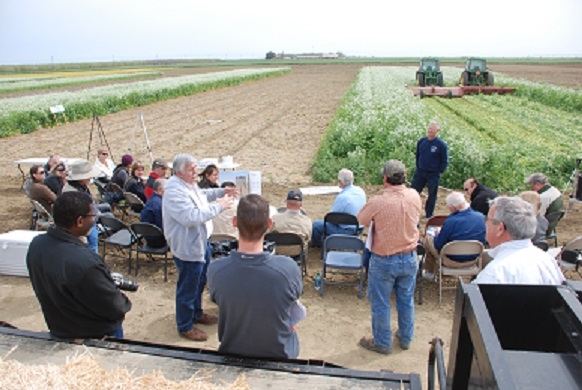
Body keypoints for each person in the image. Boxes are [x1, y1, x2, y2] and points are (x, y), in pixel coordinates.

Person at [26, 191, 132, 340]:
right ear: (80, 221)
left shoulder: (37, 244)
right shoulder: (86, 263)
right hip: (94, 335)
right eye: (92, 215)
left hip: (60, 329)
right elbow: (115, 306)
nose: (95, 218)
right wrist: (122, 299)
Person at [208, 194, 303, 359]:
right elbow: (294, 298)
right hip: (280, 354)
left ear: (234, 222)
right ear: (269, 224)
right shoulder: (288, 268)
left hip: (232, 351)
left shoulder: (216, 269)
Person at [162, 153, 237, 341]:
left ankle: (196, 313)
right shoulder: (173, 191)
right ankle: (185, 325)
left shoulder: (188, 184)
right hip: (188, 246)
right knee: (188, 286)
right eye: (191, 169)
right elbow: (190, 217)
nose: (196, 172)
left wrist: (220, 192)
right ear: (179, 172)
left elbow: (201, 196)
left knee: (199, 281)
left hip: (201, 242)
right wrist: (219, 205)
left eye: (195, 167)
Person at [357, 160, 421, 354]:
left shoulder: (378, 201)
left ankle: (383, 342)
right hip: (409, 257)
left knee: (381, 302)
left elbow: (361, 220)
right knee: (406, 299)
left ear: (384, 178)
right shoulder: (414, 195)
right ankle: (405, 338)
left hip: (384, 259)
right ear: (405, 177)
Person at [473, 196, 565, 285]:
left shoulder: (496, 272)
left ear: (500, 229)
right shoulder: (548, 261)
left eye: (488, 219)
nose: (485, 223)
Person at [421, 192, 486, 280]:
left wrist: (437, 234)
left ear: (453, 207)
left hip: (451, 260)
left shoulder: (451, 221)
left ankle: (430, 272)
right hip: (474, 259)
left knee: (427, 238)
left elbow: (438, 244)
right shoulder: (481, 217)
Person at [63, 160, 111, 253]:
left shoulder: (80, 186)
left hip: (89, 218)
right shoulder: (72, 193)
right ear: (81, 178)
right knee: (92, 248)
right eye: (89, 175)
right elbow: (76, 213)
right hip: (84, 223)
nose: (91, 177)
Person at [311, 168, 366, 247]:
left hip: (346, 231)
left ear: (340, 182)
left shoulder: (342, 197)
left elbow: (331, 218)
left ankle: (318, 245)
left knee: (317, 225)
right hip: (359, 229)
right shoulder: (361, 191)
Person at [411, 121, 449, 219]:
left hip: (433, 174)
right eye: (429, 128)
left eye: (432, 129)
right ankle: (410, 210)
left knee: (432, 194)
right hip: (420, 172)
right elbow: (418, 155)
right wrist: (418, 166)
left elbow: (444, 160)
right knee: (413, 192)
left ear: (437, 131)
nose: (430, 130)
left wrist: (439, 171)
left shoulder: (441, 145)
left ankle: (429, 214)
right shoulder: (422, 141)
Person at [271, 189, 312, 256]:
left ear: (286, 203)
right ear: (301, 205)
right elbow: (308, 239)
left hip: (277, 250)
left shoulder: (274, 219)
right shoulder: (307, 221)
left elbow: (268, 234)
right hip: (297, 252)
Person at [140, 178, 167, 248]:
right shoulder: (160, 204)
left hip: (148, 236)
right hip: (159, 240)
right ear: (160, 190)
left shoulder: (151, 200)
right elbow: (163, 226)